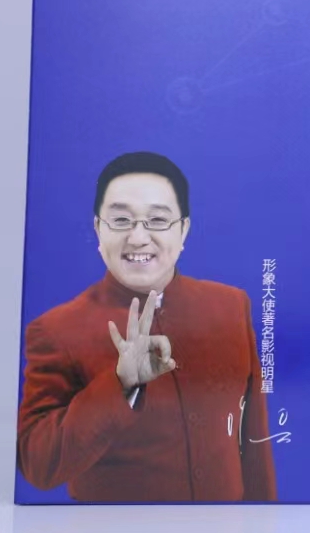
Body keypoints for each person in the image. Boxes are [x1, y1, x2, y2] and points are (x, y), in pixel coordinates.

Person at [17, 151, 277, 502]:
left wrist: (264, 524)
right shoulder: (56, 330)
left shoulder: (230, 306)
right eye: (121, 220)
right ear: (98, 229)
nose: (138, 237)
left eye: (157, 220)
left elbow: (254, 440)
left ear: (184, 230)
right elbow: (37, 464)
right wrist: (120, 385)